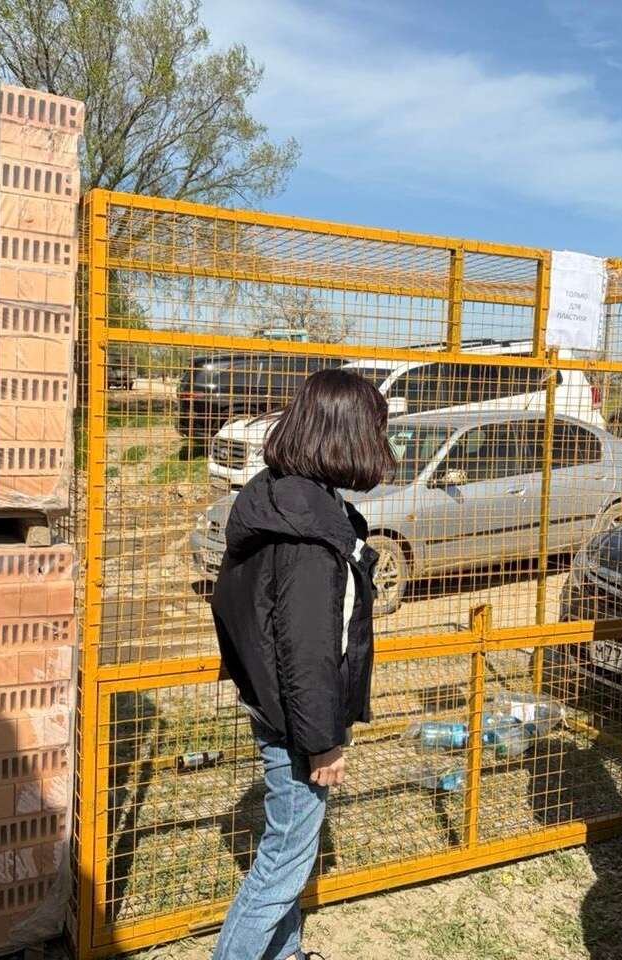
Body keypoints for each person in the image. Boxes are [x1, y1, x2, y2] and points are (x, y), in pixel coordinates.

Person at [211, 369, 396, 960]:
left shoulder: (284, 494)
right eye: (377, 429)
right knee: (283, 864)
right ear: (348, 435)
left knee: (290, 847)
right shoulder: (309, 532)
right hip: (295, 717)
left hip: (271, 701)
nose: (383, 442)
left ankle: (284, 954)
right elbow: (307, 649)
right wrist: (323, 742)